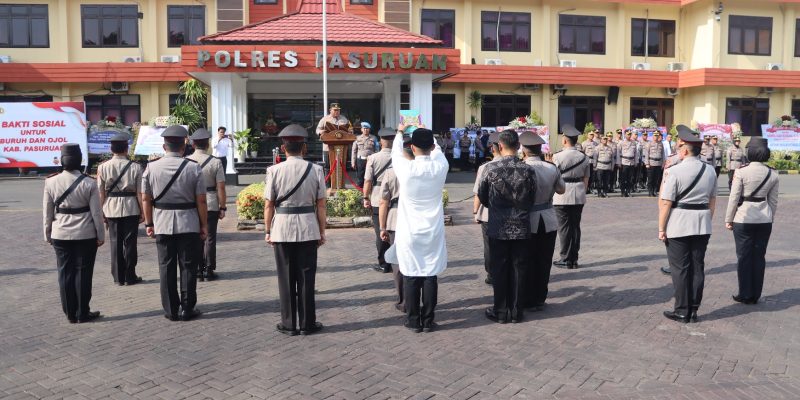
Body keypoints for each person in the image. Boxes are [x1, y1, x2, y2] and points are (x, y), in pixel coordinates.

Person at [263, 124, 327, 336]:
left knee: (286, 277)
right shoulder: (316, 170)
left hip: (282, 227)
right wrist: (322, 231)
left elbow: (269, 205)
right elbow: (321, 205)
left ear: (283, 148)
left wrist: (268, 230)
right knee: (307, 277)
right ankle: (307, 323)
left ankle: (289, 324)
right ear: (304, 148)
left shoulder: (273, 170)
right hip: (308, 226)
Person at [142, 125, 208, 322]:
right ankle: (187, 308)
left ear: (164, 147)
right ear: (183, 146)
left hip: (162, 222)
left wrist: (149, 223)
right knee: (188, 266)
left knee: (166, 266)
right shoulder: (193, 167)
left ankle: (171, 309)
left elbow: (145, 199)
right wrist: (204, 225)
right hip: (188, 222)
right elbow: (201, 200)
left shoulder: (151, 167)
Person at [387, 126, 448, 333]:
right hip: (433, 230)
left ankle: (413, 320)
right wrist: (429, 135)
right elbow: (438, 150)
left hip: (409, 230)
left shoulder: (406, 169)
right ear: (431, 146)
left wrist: (399, 132)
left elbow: (396, 152)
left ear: (412, 148)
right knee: (430, 274)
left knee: (411, 274)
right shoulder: (441, 166)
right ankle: (428, 320)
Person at [658, 125, 718, 323]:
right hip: (702, 222)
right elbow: (712, 201)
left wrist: (661, 228)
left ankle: (682, 310)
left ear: (684, 150)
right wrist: (706, 220)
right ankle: (693, 309)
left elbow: (666, 203)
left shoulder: (674, 171)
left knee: (680, 268)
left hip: (679, 223)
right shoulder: (710, 170)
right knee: (697, 266)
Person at [477, 130, 537, 324]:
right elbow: (532, 197)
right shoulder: (528, 170)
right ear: (518, 146)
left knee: (499, 269)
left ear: (500, 146)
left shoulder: (490, 169)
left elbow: (483, 196)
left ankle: (501, 311)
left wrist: (497, 207)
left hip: (498, 225)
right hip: (521, 225)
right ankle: (517, 311)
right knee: (520, 268)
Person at [43, 144, 105, 323]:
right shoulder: (89, 182)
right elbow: (96, 213)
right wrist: (100, 235)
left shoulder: (51, 182)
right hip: (85, 233)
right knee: (83, 273)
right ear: (80, 160)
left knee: (65, 273)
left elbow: (47, 212)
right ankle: (82, 312)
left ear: (62, 160)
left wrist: (47, 233)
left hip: (60, 233)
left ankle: (70, 313)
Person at [725, 137, 779, 305]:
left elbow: (734, 198)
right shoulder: (772, 173)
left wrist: (729, 219)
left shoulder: (741, 171)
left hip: (744, 217)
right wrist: (770, 218)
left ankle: (745, 293)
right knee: (759, 257)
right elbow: (773, 201)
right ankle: (755, 294)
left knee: (744, 256)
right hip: (764, 219)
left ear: (750, 152)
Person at [520, 132, 565, 311]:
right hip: (548, 217)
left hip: (527, 219)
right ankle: (540, 297)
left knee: (527, 259)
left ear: (524, 150)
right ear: (540, 149)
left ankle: (527, 297)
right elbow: (561, 190)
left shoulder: (521, 168)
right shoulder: (551, 168)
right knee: (544, 260)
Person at [96, 133, 143, 286]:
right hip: (131, 206)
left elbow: (101, 193)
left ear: (111, 149)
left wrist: (101, 211)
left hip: (111, 207)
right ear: (126, 149)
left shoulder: (103, 167)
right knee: (130, 243)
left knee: (115, 242)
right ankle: (130, 275)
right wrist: (143, 211)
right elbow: (139, 192)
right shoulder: (136, 167)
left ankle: (118, 277)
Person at [378, 136, 413, 313]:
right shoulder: (420, 168)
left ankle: (404, 300)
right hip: (415, 217)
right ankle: (414, 300)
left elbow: (383, 201)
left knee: (398, 262)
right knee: (414, 260)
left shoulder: (391, 172)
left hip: (395, 217)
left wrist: (382, 227)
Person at [186, 128, 227, 281]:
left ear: (193, 144)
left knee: (196, 237)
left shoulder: (186, 161)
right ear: (208, 144)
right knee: (210, 237)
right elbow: (221, 187)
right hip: (210, 202)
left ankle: (198, 269)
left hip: (192, 203)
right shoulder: (216, 162)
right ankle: (209, 270)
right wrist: (222, 206)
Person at [552, 125, 591, 269]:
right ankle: (574, 258)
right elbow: (586, 178)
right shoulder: (584, 157)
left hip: (561, 194)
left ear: (564, 140)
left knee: (564, 228)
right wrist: (582, 191)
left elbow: (553, 177)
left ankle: (566, 258)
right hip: (578, 192)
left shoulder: (557, 156)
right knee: (575, 227)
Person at [363, 127, 395, 273]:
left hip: (378, 197)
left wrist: (365, 197)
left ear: (381, 141)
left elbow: (368, 181)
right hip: (396, 197)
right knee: (395, 231)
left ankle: (384, 263)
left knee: (380, 231)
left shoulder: (373, 158)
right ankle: (396, 262)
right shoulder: (401, 157)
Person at [473, 132, 500, 285]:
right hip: (512, 213)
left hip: (489, 213)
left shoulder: (485, 167)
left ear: (493, 148)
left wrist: (475, 211)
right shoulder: (520, 166)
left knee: (489, 245)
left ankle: (492, 274)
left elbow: (479, 192)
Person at [351, 122, 376, 187]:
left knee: (370, 177)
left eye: (367, 128)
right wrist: (353, 162)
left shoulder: (373, 138)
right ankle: (360, 190)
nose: (365, 130)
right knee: (360, 177)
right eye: (364, 128)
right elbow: (354, 151)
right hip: (360, 160)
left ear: (369, 129)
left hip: (370, 160)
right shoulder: (357, 138)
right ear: (361, 129)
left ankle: (369, 190)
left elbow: (377, 150)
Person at [644, 132, 665, 197]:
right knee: (650, 179)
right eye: (655, 136)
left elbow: (663, 154)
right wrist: (647, 163)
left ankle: (654, 191)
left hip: (658, 163)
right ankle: (650, 191)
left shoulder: (661, 144)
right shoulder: (649, 143)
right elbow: (647, 154)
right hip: (651, 163)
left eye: (657, 136)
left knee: (656, 179)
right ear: (653, 136)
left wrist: (663, 163)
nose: (656, 137)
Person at [618, 131, 637, 197]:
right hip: (624, 162)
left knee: (630, 178)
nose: (629, 135)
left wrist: (635, 162)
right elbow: (618, 153)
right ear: (625, 135)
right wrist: (619, 162)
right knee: (623, 178)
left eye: (630, 134)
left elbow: (635, 153)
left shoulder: (633, 142)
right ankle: (623, 192)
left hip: (631, 162)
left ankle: (628, 191)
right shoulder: (621, 142)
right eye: (628, 134)